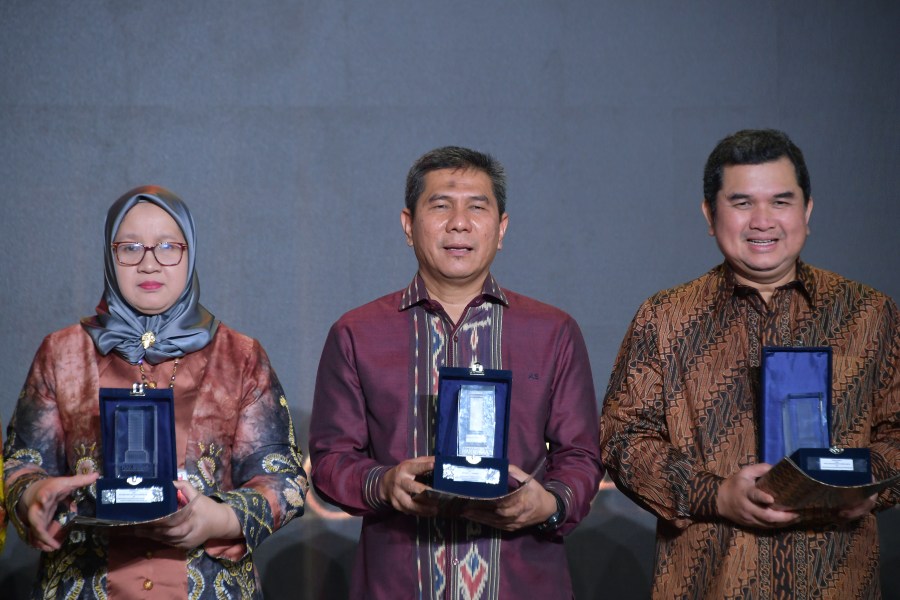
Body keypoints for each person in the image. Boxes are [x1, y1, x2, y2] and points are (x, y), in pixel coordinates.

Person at [600, 129, 900, 598]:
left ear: (807, 210)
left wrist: (865, 482)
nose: (763, 221)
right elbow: (622, 439)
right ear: (710, 214)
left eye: (781, 201)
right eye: (742, 203)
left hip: (838, 580)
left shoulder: (869, 314)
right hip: (709, 583)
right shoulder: (664, 318)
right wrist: (715, 495)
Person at [309, 146, 603, 599]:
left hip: (521, 581)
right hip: (398, 583)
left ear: (501, 229)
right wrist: (384, 484)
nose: (459, 223)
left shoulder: (552, 331)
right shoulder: (357, 333)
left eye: (477, 207)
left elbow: (581, 455)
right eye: (441, 205)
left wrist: (548, 502)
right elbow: (331, 459)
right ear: (408, 225)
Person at [3, 186, 307, 599]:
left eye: (168, 247)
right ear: (110, 256)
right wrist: (33, 495)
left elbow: (283, 478)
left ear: (190, 253)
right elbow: (21, 463)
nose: (149, 263)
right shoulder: (62, 352)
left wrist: (217, 518)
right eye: (130, 248)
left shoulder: (239, 355)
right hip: (86, 582)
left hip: (207, 583)